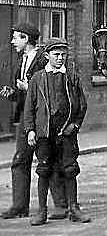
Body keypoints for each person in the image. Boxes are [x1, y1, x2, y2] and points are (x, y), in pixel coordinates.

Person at [0, 23, 66, 220]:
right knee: (20, 161)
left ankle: (62, 206)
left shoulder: (43, 60)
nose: (12, 42)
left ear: (26, 39)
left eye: (16, 38)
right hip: (25, 119)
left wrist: (28, 87)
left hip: (44, 120)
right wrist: (13, 93)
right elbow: (25, 96)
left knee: (49, 161)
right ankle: (20, 206)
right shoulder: (22, 60)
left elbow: (53, 89)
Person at [23, 38, 89, 225]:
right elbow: (29, 107)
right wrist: (30, 130)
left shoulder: (72, 77)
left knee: (70, 169)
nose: (60, 58)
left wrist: (75, 125)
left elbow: (82, 105)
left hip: (66, 133)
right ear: (47, 56)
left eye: (63, 55)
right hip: (44, 133)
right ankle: (42, 212)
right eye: (56, 55)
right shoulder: (37, 78)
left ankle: (74, 209)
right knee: (44, 170)